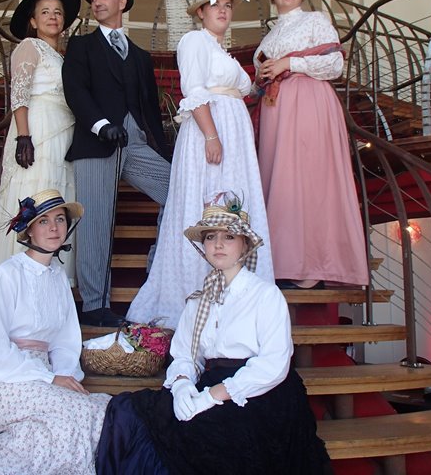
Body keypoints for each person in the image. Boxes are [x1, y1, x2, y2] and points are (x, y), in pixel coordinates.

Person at [97, 202, 332, 475]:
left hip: (259, 391)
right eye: (211, 237)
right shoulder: (199, 300)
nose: (218, 244)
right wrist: (182, 385)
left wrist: (211, 396)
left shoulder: (266, 295)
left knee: (210, 435)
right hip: (211, 379)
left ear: (244, 245)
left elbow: (273, 364)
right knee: (128, 410)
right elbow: (186, 355)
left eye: (228, 236)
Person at [127, 0, 273, 329]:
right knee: (206, 202)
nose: (222, 10)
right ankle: (196, 292)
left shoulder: (222, 52)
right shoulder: (194, 41)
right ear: (201, 12)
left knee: (233, 205)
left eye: (228, 5)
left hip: (233, 137)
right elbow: (193, 90)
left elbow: (240, 91)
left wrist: (260, 80)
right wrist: (211, 135)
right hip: (211, 131)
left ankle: (237, 295)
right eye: (215, 5)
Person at [0, 189, 110, 475]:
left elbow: (65, 341)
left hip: (41, 374)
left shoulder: (59, 277)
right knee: (81, 412)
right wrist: (49, 378)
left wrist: (65, 375)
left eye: (60, 220)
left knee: (93, 412)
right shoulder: (7, 274)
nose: (54, 228)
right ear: (30, 230)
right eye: (43, 221)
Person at [62, 0, 171, 327]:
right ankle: (95, 305)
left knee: (178, 191)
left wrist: (164, 151)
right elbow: (75, 91)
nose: (97, 2)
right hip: (96, 143)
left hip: (134, 142)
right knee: (94, 224)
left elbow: (150, 109)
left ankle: (159, 267)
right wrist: (101, 125)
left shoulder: (139, 56)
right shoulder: (81, 46)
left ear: (122, 2)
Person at [254, 0, 369, 289]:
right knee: (282, 183)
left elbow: (334, 65)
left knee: (309, 180)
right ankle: (285, 262)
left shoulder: (316, 20)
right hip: (276, 109)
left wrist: (290, 63)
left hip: (308, 103)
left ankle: (314, 266)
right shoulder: (271, 34)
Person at [0, 0, 81, 275]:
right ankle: (21, 272)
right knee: (36, 190)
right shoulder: (29, 47)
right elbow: (20, 93)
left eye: (58, 12)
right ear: (33, 21)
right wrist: (24, 136)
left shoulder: (62, 57)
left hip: (63, 133)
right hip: (39, 129)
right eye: (45, 12)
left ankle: (54, 274)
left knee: (57, 197)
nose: (52, 17)